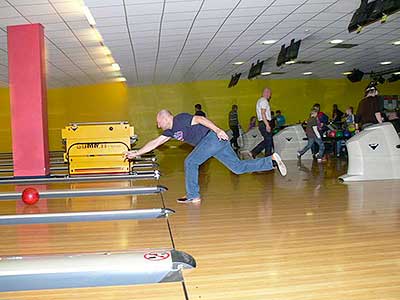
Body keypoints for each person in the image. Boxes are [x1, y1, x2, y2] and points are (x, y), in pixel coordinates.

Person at [124, 110, 287, 203]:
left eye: (159, 122)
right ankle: (271, 160)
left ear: (166, 118)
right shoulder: (170, 131)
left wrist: (217, 130)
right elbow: (155, 142)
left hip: (212, 138)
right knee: (237, 168)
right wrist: (136, 153)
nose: (158, 125)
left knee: (190, 162)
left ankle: (193, 195)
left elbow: (200, 119)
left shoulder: (181, 118)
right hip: (216, 143)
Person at [251, 88, 274, 158]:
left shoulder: (260, 100)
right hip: (264, 122)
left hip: (262, 122)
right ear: (266, 93)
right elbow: (263, 113)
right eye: (269, 93)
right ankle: (267, 158)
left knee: (267, 140)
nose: (270, 95)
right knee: (269, 141)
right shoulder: (264, 101)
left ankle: (254, 152)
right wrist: (267, 125)